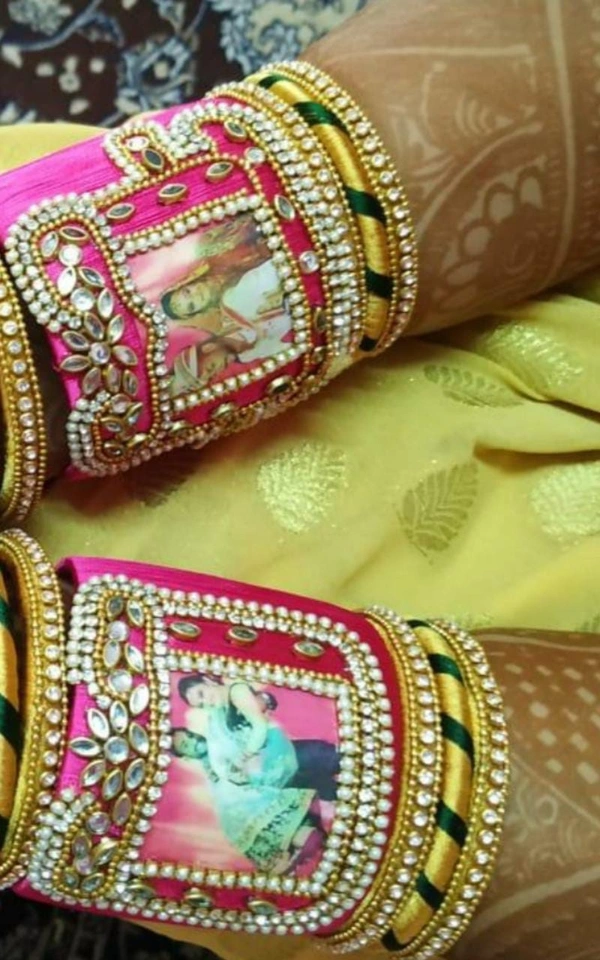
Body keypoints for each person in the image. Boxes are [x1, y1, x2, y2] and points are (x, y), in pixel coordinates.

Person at [178, 673, 339, 800]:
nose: (207, 702)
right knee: (329, 791)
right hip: (278, 768)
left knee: (338, 763)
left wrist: (244, 758)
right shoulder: (220, 714)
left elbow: (260, 726)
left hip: (292, 754)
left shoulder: (236, 691)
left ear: (208, 681)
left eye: (202, 694)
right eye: (201, 705)